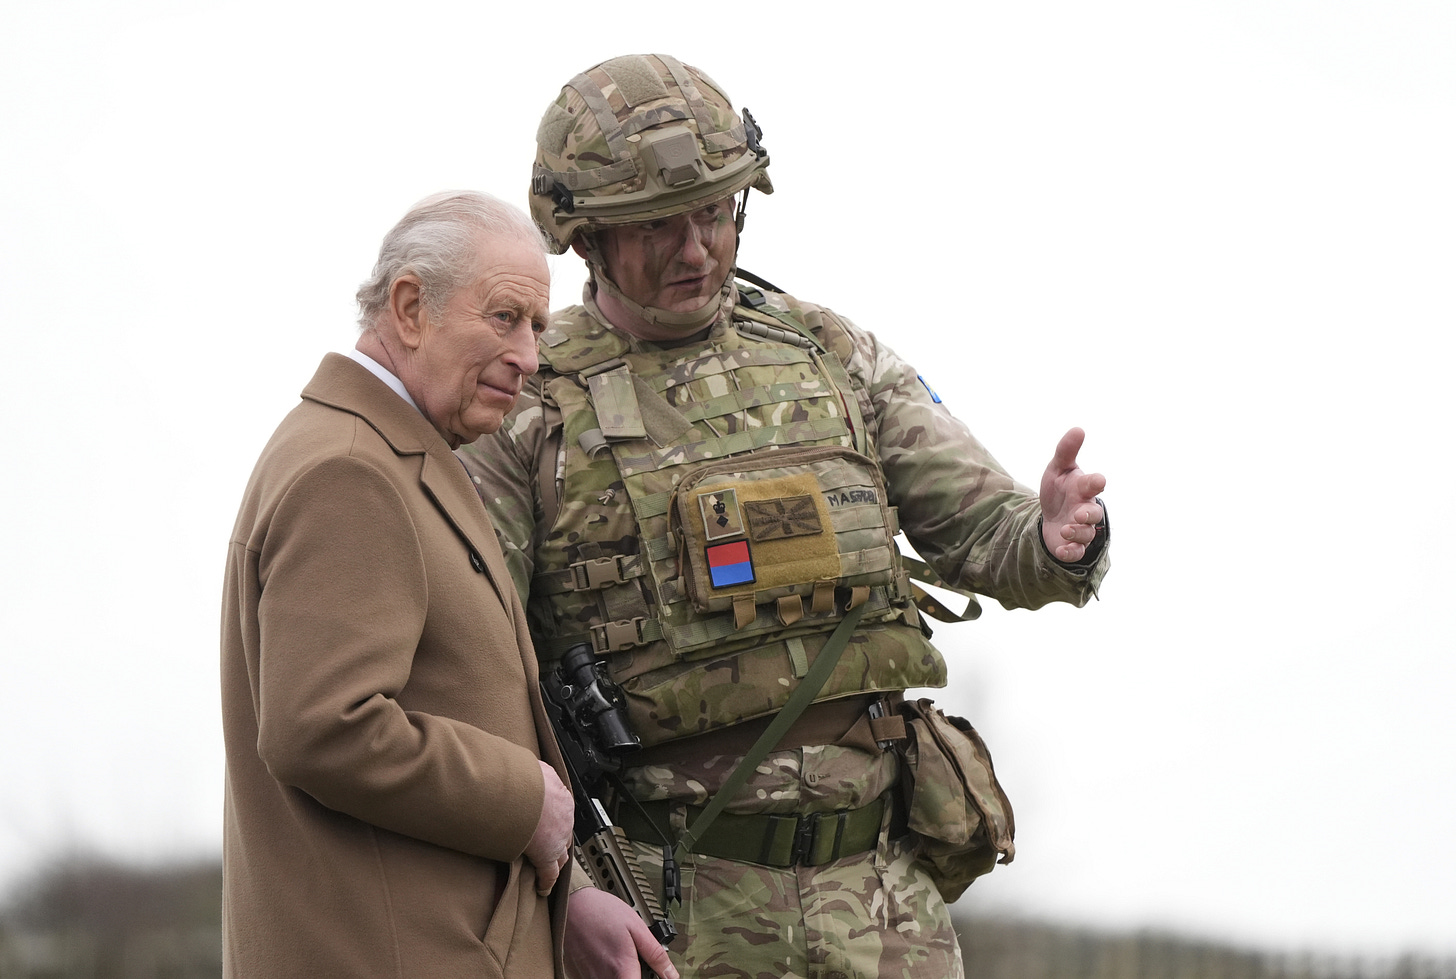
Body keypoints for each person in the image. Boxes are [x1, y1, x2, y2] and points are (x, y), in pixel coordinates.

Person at [458, 54, 1110, 979]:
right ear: (587, 235)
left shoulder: (828, 353)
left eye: (716, 214)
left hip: (883, 902)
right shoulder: (529, 402)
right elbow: (471, 671)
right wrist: (563, 888)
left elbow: (981, 528)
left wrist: (1049, 537)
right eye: (658, 227)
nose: (696, 250)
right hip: (665, 907)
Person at [220, 191, 578, 978]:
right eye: (505, 317)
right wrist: (528, 802)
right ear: (411, 308)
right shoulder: (353, 470)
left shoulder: (387, 453)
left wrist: (572, 898)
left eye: (537, 328)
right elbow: (325, 725)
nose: (529, 355)